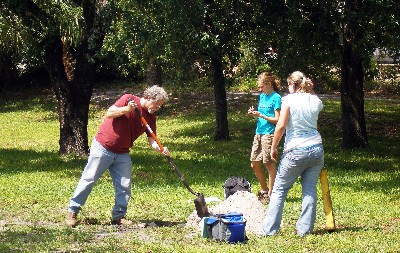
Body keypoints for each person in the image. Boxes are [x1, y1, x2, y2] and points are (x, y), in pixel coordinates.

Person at [66, 85, 170, 227]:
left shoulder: (150, 118)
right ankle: (73, 211)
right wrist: (127, 109)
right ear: (148, 98)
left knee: (124, 185)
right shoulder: (128, 99)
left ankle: (118, 217)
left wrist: (160, 148)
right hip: (103, 147)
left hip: (122, 152)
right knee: (89, 179)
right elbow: (109, 113)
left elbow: (152, 138)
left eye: (160, 105)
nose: (158, 107)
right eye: (157, 104)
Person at [262, 71, 324, 236]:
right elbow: (313, 100)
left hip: (295, 149)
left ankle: (269, 230)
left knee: (279, 189)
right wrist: (311, 90)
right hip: (317, 149)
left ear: (293, 84)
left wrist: (273, 146)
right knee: (309, 189)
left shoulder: (288, 100)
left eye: (288, 84)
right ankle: (304, 230)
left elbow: (281, 125)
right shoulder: (316, 100)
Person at [248, 72, 281, 204]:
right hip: (259, 132)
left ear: (268, 84)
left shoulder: (276, 98)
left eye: (261, 86)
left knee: (269, 163)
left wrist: (262, 116)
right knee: (254, 163)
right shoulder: (262, 97)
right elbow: (260, 115)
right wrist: (254, 114)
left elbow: (277, 119)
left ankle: (272, 194)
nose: (260, 89)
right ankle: (264, 189)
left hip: (269, 134)